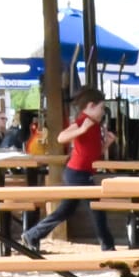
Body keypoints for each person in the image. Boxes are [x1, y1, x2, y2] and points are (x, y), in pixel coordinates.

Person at [19, 88, 115, 252]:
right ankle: (107, 246)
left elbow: (92, 153)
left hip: (82, 172)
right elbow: (61, 137)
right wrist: (81, 130)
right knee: (95, 208)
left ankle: (33, 234)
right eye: (101, 107)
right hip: (77, 173)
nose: (102, 112)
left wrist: (107, 143)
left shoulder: (94, 124)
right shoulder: (83, 121)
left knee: (66, 210)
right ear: (91, 106)